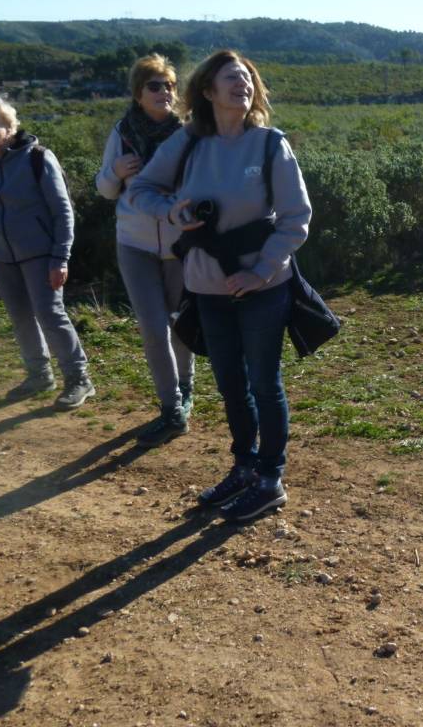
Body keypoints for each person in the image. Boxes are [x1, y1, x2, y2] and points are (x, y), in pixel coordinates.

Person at [128, 49, 310, 523]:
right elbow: (142, 189)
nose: (242, 84)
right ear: (207, 91)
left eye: (248, 77)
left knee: (263, 383)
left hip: (263, 286)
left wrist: (262, 270)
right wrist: (172, 211)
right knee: (230, 383)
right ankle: (244, 467)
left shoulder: (271, 144)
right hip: (207, 286)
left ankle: (270, 477)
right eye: (231, 78)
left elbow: (296, 219)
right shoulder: (189, 142)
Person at [0, 92, 95, 411]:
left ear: (8, 125)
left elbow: (62, 211)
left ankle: (79, 379)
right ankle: (39, 375)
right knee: (21, 317)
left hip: (41, 254)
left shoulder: (37, 157)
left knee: (51, 315)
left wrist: (60, 257)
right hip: (1, 256)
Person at [96, 53, 195, 447]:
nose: (165, 92)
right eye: (155, 85)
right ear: (139, 93)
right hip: (134, 243)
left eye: (170, 85)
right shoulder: (122, 133)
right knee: (154, 329)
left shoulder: (188, 133)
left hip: (179, 243)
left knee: (180, 324)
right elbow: (103, 190)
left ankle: (186, 390)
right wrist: (115, 173)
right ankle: (171, 408)